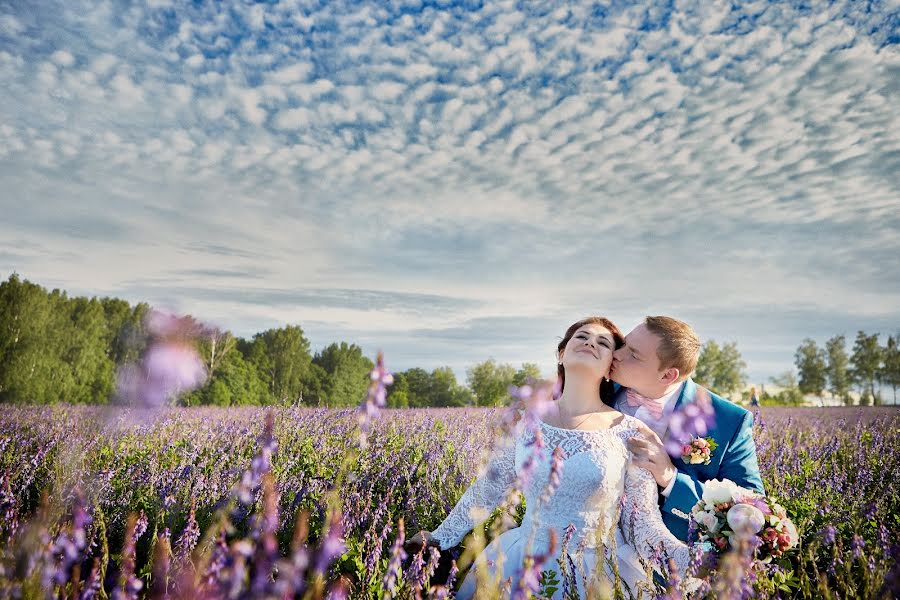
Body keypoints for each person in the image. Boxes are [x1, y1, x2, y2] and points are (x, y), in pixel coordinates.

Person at [406, 317, 692, 598]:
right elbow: (489, 487)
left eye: (603, 343)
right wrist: (439, 537)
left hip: (596, 571)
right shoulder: (528, 419)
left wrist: (695, 561)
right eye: (582, 336)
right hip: (522, 559)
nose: (590, 342)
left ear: (610, 367)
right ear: (561, 353)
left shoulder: (629, 431)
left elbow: (641, 524)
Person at [609, 316, 765, 542]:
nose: (616, 354)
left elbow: (751, 509)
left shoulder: (729, 421)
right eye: (624, 343)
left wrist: (671, 478)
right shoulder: (595, 388)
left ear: (667, 375)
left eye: (633, 354)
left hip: (671, 561)